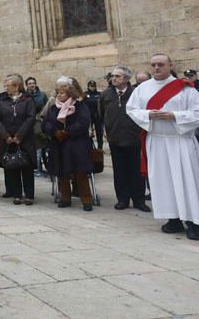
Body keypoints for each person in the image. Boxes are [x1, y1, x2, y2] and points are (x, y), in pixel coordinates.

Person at [126, 53, 199, 240]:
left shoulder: (185, 89)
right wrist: (149, 114)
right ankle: (172, 218)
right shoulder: (142, 89)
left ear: (170, 65)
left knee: (186, 180)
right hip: (157, 140)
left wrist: (174, 116)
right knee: (162, 181)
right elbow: (132, 109)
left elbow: (197, 113)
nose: (156, 68)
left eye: (160, 64)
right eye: (153, 65)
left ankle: (193, 221)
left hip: (180, 141)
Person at [100, 66, 149, 211]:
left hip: (133, 138)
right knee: (119, 171)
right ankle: (123, 199)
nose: (114, 78)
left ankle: (139, 200)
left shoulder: (136, 93)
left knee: (136, 171)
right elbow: (102, 113)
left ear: (127, 79)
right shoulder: (106, 95)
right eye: (113, 76)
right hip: (115, 138)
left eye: (118, 76)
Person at [42, 77, 94, 211]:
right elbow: (46, 123)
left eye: (62, 92)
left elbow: (84, 122)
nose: (59, 95)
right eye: (58, 92)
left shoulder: (79, 106)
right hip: (59, 144)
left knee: (80, 172)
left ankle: (87, 200)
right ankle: (65, 198)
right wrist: (55, 132)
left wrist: (67, 132)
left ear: (70, 93)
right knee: (62, 172)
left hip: (77, 143)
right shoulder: (54, 108)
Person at [0, 74, 37, 205]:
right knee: (13, 167)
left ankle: (29, 195)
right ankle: (17, 194)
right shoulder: (3, 101)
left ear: (17, 86)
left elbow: (30, 118)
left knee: (27, 167)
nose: (6, 88)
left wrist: (19, 136)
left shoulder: (27, 100)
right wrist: (6, 136)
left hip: (25, 140)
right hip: (8, 140)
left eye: (8, 86)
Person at [84, 80, 104, 150]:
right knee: (89, 132)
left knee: (99, 132)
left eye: (93, 86)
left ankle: (100, 147)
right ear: (88, 87)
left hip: (97, 116)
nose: (92, 88)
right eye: (91, 86)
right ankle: (89, 146)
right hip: (88, 116)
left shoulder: (99, 94)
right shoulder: (85, 94)